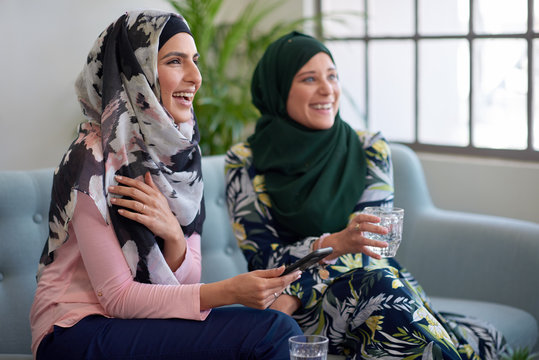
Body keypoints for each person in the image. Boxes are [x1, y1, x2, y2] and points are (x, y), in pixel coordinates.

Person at [30, 11, 303, 360]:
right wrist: (230, 291)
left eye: (195, 61)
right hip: (74, 331)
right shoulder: (91, 157)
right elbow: (118, 298)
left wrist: (174, 235)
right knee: (272, 331)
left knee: (275, 327)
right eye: (175, 61)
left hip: (134, 324)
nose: (196, 77)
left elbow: (185, 288)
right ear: (134, 72)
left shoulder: (182, 156)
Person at [225, 31, 507, 360]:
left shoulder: (368, 147)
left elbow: (373, 246)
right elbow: (261, 260)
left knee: (380, 285)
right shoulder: (244, 160)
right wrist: (333, 243)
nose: (327, 89)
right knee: (384, 291)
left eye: (332, 76)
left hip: (315, 293)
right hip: (299, 310)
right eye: (309, 79)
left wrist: (301, 287)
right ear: (277, 89)